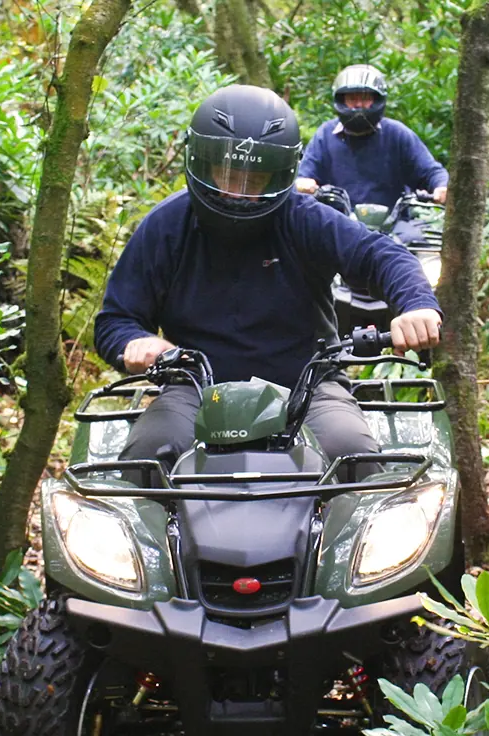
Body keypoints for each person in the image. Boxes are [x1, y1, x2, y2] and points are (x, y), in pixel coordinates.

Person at [94, 84, 443, 467]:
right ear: (201, 161)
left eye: (255, 179)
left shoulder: (303, 217)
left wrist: (417, 305)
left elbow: (379, 253)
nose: (238, 192)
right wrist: (137, 343)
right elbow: (115, 320)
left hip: (307, 385)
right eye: (226, 174)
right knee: (143, 461)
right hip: (195, 387)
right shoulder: (167, 226)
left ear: (282, 173)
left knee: (355, 458)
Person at [294, 64, 449, 208]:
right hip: (337, 222)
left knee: (417, 237)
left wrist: (442, 186)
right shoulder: (325, 135)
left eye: (365, 98)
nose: (358, 105)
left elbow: (430, 171)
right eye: (352, 98)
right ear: (342, 100)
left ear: (376, 99)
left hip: (393, 222)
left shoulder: (397, 134)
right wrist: (303, 183)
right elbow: (305, 174)